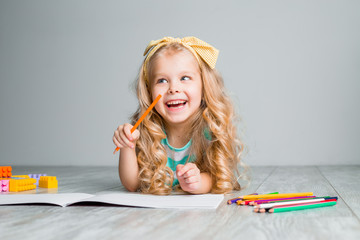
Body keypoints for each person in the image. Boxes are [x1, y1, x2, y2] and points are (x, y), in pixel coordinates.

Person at [113, 36, 245, 195]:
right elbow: (132, 184)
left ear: (204, 88)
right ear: (149, 93)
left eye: (185, 78)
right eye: (162, 80)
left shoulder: (210, 130)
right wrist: (127, 144)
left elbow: (218, 178)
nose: (173, 88)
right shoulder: (147, 130)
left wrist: (197, 183)